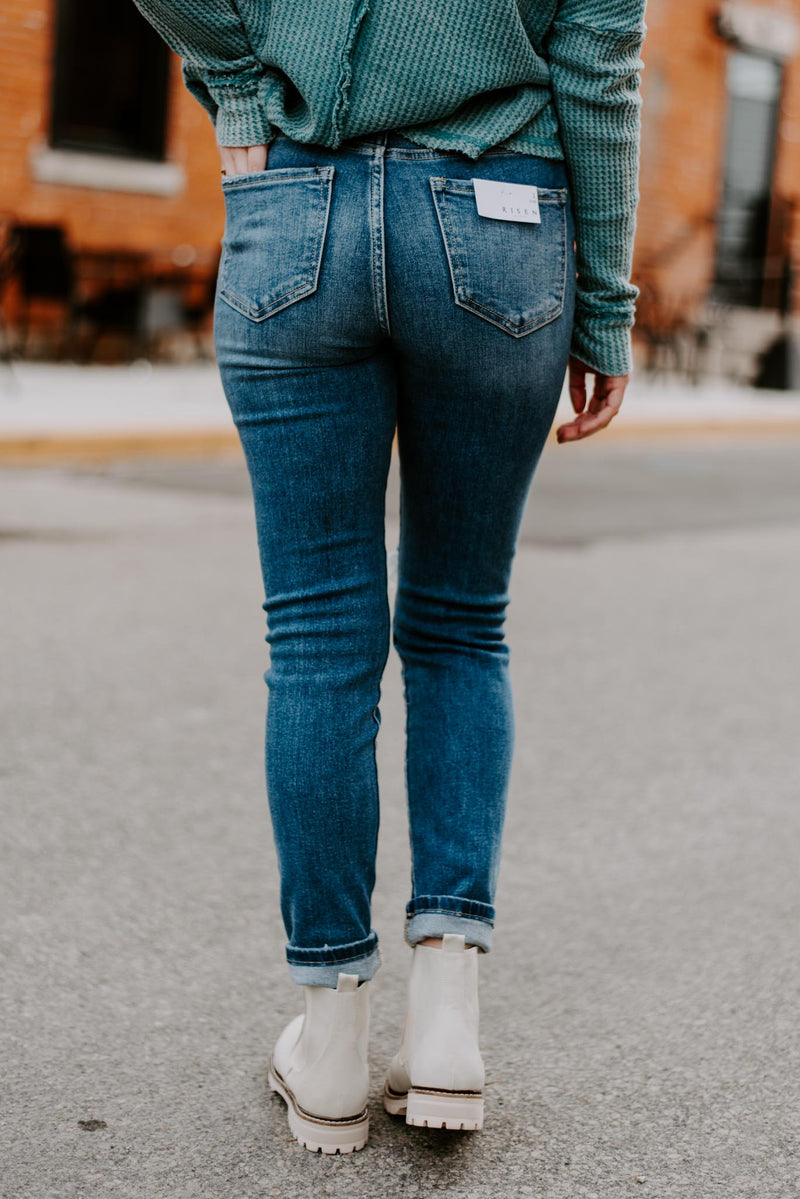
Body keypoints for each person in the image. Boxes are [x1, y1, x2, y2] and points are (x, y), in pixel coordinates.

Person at [133, 0, 648, 1155]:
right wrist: (604, 308)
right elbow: (597, 66)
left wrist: (241, 88)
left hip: (294, 201)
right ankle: (446, 1019)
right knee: (461, 626)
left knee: (317, 639)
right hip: (500, 216)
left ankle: (328, 1039)